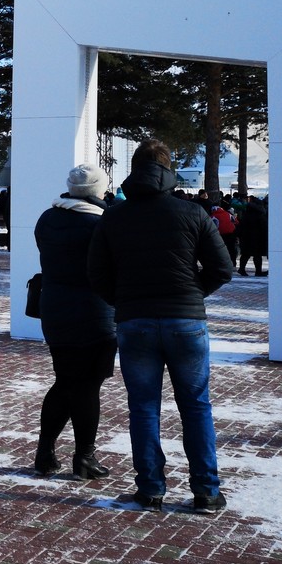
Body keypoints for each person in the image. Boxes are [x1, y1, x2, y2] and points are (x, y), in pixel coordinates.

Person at [88, 139, 233, 514]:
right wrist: (191, 295)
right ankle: (206, 491)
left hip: (135, 321)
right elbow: (222, 269)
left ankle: (151, 488)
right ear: (169, 170)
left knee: (143, 408)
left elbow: (97, 274)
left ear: (134, 170)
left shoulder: (113, 216)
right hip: (185, 320)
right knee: (196, 406)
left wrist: (125, 301)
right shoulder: (193, 212)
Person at [32, 164, 117, 480]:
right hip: (95, 313)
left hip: (54, 310)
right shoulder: (102, 223)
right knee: (87, 386)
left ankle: (45, 452)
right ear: (99, 190)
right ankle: (84, 457)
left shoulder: (47, 218)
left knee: (65, 381)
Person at [236, 195, 268, 277]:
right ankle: (258, 271)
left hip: (245, 237)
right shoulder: (260, 215)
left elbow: (240, 227)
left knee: (246, 254)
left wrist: (238, 235)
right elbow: (264, 227)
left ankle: (242, 269)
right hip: (257, 238)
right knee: (257, 255)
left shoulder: (246, 215)